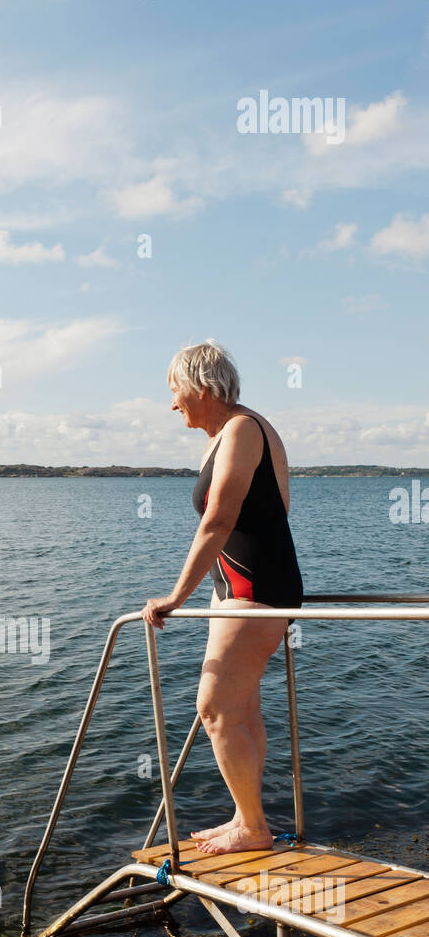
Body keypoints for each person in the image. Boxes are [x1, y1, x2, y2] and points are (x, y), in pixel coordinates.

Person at [141, 340, 303, 855]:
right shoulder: (231, 432)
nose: (173, 404)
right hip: (237, 590)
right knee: (241, 710)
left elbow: (220, 519)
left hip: (255, 591)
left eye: (176, 391)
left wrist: (176, 595)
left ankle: (253, 828)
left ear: (204, 387)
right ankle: (246, 818)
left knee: (213, 708)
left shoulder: (241, 429)